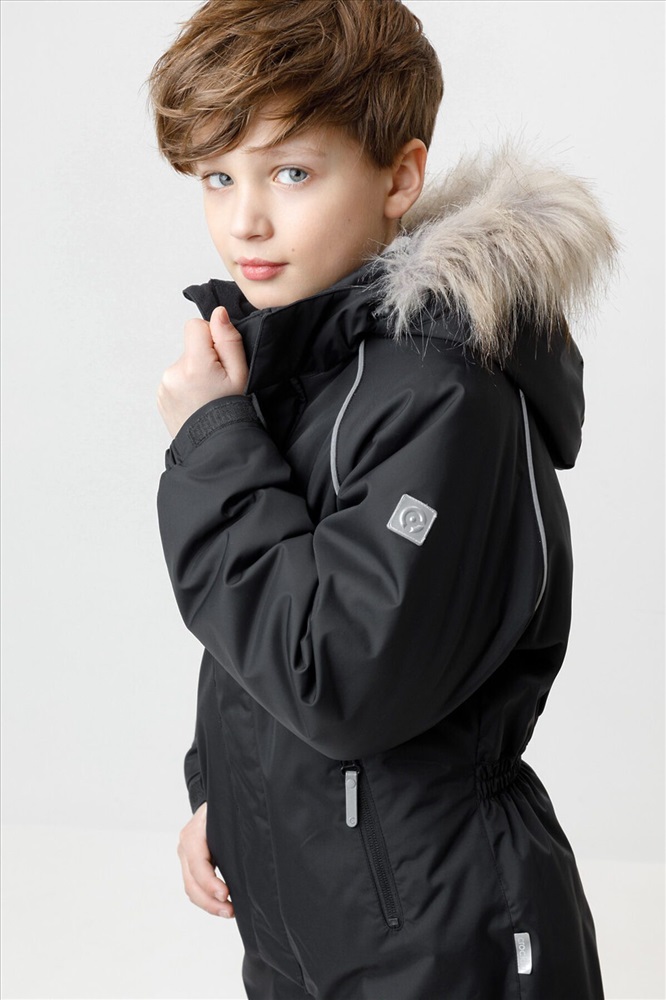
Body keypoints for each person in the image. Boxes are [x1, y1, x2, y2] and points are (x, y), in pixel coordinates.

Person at [148, 1, 618, 997]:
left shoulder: (444, 396)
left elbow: (339, 677)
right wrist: (219, 793)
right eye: (218, 177)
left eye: (291, 172)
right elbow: (266, 627)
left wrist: (213, 443)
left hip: (443, 940)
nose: (245, 220)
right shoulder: (306, 369)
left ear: (399, 177)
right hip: (308, 922)